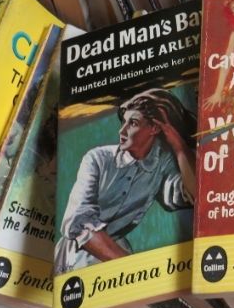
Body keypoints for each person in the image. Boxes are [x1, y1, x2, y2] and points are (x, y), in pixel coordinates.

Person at [54, 89, 196, 274]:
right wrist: (131, 268)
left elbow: (194, 194)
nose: (122, 131)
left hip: (117, 258)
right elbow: (78, 222)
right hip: (73, 259)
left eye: (133, 123)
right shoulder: (97, 159)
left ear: (155, 128)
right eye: (124, 121)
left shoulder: (161, 165)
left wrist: (179, 146)